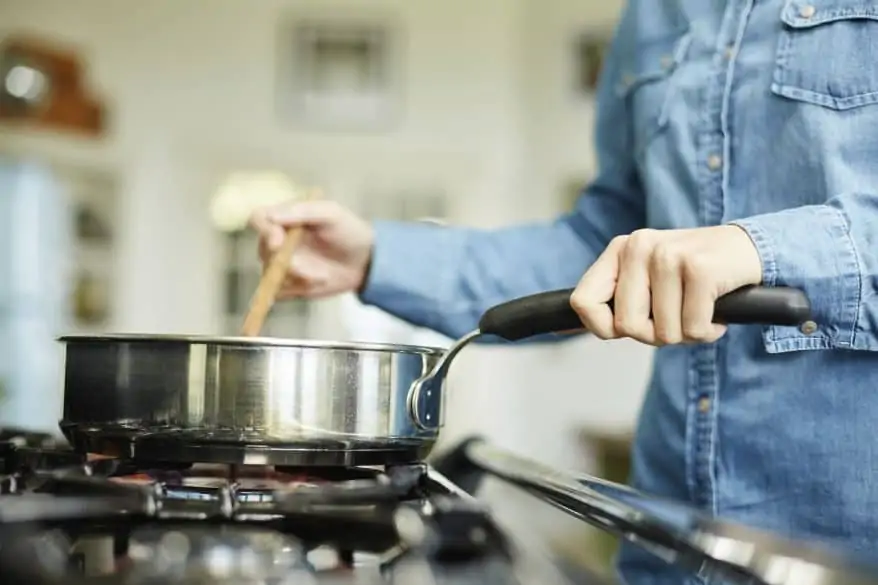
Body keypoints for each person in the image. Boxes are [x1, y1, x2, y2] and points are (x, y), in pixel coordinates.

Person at [249, 1, 878, 583]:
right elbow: (602, 248)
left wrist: (762, 250)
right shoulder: (653, 14)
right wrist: (379, 258)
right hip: (668, 549)